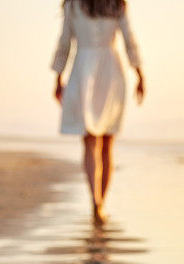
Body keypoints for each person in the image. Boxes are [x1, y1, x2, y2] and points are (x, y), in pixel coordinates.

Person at [51, 0, 145, 225]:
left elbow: (65, 41)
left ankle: (95, 200)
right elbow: (129, 38)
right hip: (110, 68)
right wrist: (140, 74)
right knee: (107, 141)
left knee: (91, 140)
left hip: (83, 67)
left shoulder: (74, 5)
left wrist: (58, 76)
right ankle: (101, 202)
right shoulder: (116, 4)